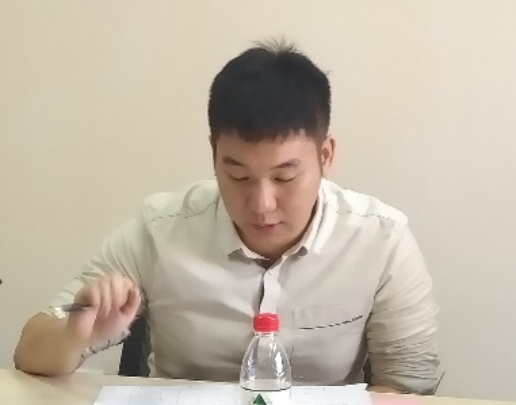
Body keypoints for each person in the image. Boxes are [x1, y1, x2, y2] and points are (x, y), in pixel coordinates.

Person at [14, 40, 439, 394]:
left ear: (325, 155)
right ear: (214, 154)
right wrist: (79, 332)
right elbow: (28, 354)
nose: (262, 203)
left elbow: (409, 384)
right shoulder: (160, 231)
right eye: (238, 176)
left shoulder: (381, 240)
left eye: (285, 177)